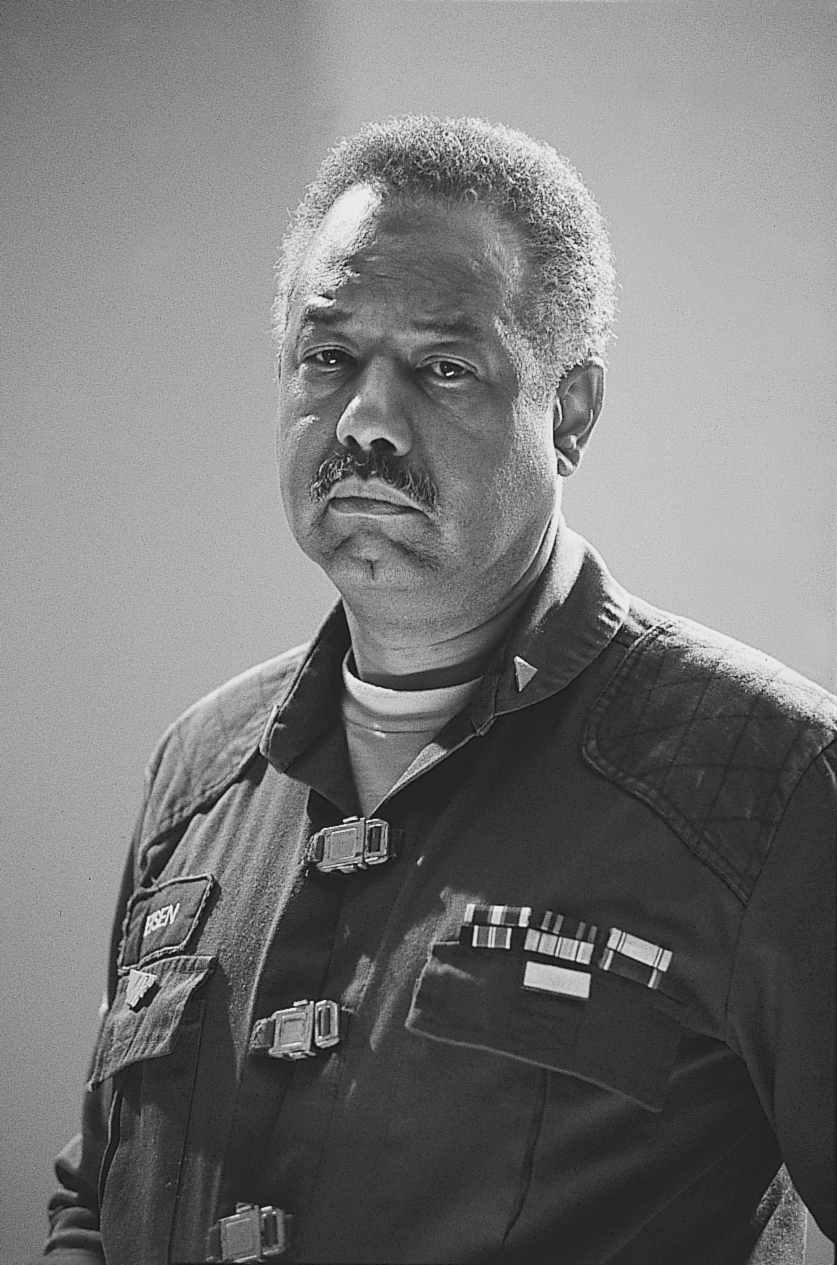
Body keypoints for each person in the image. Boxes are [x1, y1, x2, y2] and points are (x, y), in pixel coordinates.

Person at [35, 116, 834, 1265]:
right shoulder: (201, 772)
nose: (364, 416)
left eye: (442, 366)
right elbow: (97, 1198)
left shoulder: (769, 779)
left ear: (569, 411)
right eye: (328, 357)